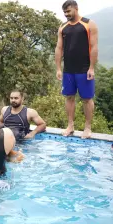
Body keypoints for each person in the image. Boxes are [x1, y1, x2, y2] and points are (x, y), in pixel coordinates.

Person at [55, 0, 98, 138]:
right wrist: (58, 68)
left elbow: (94, 47)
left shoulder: (88, 24)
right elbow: (59, 48)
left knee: (87, 99)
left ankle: (87, 127)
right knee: (69, 97)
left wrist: (92, 68)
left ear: (76, 9)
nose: (66, 14)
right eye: (64, 12)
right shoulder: (63, 27)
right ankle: (70, 126)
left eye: (68, 11)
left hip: (84, 69)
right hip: (68, 70)